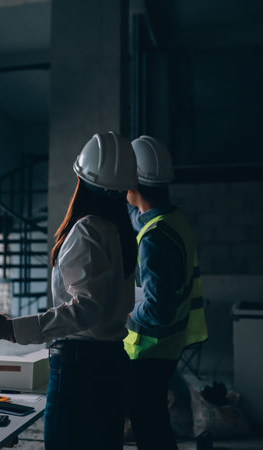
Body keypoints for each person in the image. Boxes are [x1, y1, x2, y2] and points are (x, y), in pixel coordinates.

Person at [0, 131, 138, 450]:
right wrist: (11, 325)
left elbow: (86, 309)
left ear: (82, 178)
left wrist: (10, 329)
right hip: (111, 361)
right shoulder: (118, 231)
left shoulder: (87, 229)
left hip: (81, 367)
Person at [123, 135, 208, 450]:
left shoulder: (155, 238)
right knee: (155, 423)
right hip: (168, 346)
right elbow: (137, 217)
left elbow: (158, 309)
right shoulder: (171, 220)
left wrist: (125, 312)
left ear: (132, 186)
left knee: (151, 430)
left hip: (149, 349)